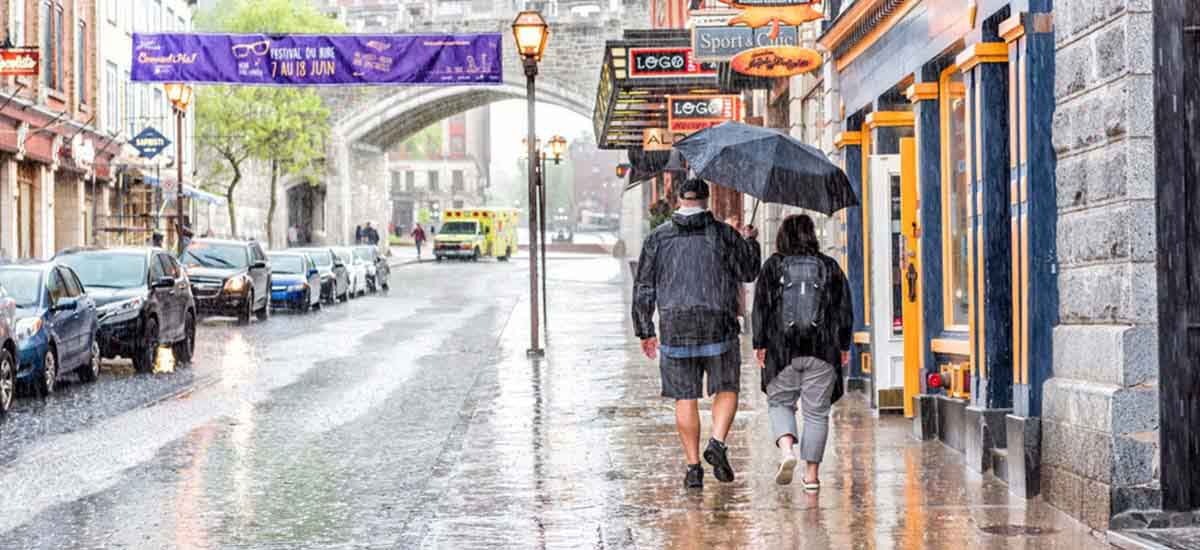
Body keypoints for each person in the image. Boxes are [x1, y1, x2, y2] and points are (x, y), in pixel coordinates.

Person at [633, 178, 761, 490]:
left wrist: (645, 329)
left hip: (676, 326)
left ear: (679, 200)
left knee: (685, 396)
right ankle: (716, 442)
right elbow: (748, 272)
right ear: (708, 200)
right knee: (726, 387)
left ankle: (693, 468)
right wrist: (749, 242)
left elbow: (644, 286)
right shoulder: (724, 234)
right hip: (718, 321)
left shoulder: (657, 238)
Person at [752, 214, 853, 490]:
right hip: (822, 350)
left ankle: (786, 451)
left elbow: (760, 307)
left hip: (782, 350)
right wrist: (843, 345)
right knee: (816, 414)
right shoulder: (829, 267)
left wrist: (759, 343)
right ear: (812, 236)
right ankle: (811, 477)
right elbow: (844, 310)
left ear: (782, 236)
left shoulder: (773, 266)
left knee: (780, 403)